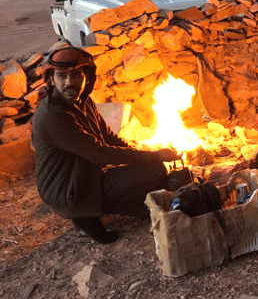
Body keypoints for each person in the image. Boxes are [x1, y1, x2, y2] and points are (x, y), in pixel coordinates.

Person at [31, 47, 185, 244]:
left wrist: (138, 153)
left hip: (84, 175)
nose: (70, 83)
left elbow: (108, 136)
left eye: (76, 75)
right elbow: (101, 154)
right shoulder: (54, 116)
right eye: (62, 76)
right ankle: (84, 216)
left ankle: (112, 206)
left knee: (149, 191)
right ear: (52, 79)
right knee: (155, 171)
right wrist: (155, 156)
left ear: (86, 76)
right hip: (68, 190)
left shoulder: (82, 100)